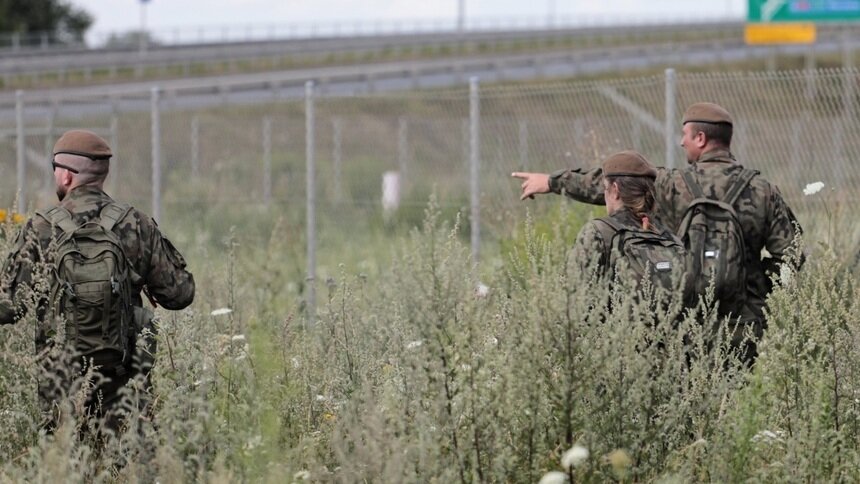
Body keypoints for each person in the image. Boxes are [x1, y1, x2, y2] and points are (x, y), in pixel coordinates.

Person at [513, 102, 803, 362]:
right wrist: (761, 289)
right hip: (744, 322)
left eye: (685, 136)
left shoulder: (672, 184)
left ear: (700, 139)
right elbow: (793, 254)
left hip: (689, 324)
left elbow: (613, 183)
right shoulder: (764, 192)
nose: (681, 142)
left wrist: (552, 182)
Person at [0, 129, 195, 433]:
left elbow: (7, 307)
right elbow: (180, 294)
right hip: (125, 380)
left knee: (65, 466)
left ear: (65, 175)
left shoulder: (40, 228)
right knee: (128, 465)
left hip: (60, 384)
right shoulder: (136, 223)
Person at [573, 150, 685, 299]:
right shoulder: (670, 237)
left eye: (605, 189)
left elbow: (573, 300)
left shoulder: (598, 233)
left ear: (615, 190)